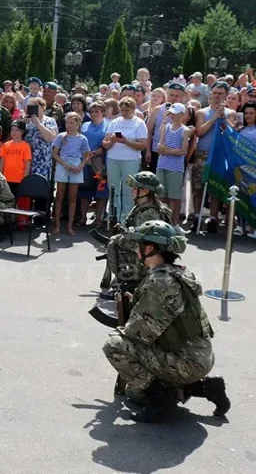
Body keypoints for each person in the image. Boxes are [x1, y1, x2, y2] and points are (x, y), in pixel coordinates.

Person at [102, 221, 230, 422]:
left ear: (150, 248)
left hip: (187, 361)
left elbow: (138, 334)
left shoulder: (160, 282)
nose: (136, 250)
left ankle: (161, 402)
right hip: (198, 355)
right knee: (134, 393)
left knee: (114, 346)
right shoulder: (177, 271)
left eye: (139, 245)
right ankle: (205, 388)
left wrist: (128, 315)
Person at [101, 171, 172, 289]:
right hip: (152, 254)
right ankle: (132, 276)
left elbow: (141, 241)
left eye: (135, 188)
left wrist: (120, 236)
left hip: (150, 256)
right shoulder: (144, 206)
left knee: (113, 243)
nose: (132, 190)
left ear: (145, 191)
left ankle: (134, 278)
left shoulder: (149, 213)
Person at [192, 82, 237, 234]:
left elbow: (231, 133)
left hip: (219, 154)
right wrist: (213, 119)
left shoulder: (230, 113)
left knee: (215, 188)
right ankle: (197, 217)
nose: (217, 96)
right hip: (203, 153)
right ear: (210, 94)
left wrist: (223, 118)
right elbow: (199, 132)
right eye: (215, 93)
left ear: (225, 95)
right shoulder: (202, 113)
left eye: (221, 93)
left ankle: (212, 218)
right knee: (198, 187)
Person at [103, 98, 149, 223]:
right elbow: (105, 143)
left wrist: (126, 141)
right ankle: (114, 216)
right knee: (113, 188)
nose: (124, 112)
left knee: (128, 189)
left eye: (127, 110)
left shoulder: (139, 123)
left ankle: (127, 217)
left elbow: (142, 145)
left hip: (130, 160)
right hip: (113, 158)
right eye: (122, 110)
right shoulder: (114, 122)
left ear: (133, 110)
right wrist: (112, 141)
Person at [51, 112, 92, 235]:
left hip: (76, 164)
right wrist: (65, 164)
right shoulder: (61, 137)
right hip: (63, 163)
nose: (69, 125)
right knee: (59, 195)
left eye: (71, 123)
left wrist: (80, 166)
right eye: (67, 123)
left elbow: (86, 156)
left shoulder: (82, 139)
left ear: (78, 124)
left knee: (73, 197)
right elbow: (54, 154)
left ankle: (70, 225)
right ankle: (57, 224)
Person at [156, 103, 193, 233]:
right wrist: (172, 151)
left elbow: (182, 151)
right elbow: (159, 148)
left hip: (176, 168)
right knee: (161, 196)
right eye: (171, 113)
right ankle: (163, 223)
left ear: (182, 115)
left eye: (175, 113)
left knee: (174, 197)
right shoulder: (165, 127)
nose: (172, 115)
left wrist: (166, 150)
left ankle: (174, 224)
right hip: (162, 165)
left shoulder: (185, 130)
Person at [80, 102, 109, 228]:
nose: (94, 114)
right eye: (91, 111)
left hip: (101, 163)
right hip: (85, 162)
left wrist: (95, 152)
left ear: (103, 112)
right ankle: (82, 218)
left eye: (97, 111)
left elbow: (108, 144)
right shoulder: (85, 125)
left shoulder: (109, 125)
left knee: (101, 191)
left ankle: (98, 219)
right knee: (85, 190)